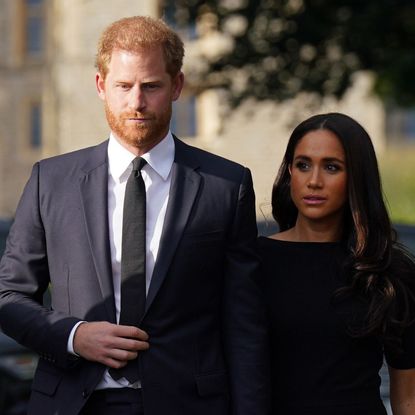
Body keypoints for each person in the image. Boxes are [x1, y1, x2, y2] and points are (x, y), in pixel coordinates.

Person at [0, 16, 270, 415]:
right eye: (123, 86)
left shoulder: (226, 186)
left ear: (177, 86)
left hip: (189, 405)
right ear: (100, 86)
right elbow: (9, 296)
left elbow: (244, 323)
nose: (136, 102)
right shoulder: (51, 181)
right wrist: (75, 336)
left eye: (151, 86)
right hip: (75, 402)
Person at [258, 112, 415, 415]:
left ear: (356, 177)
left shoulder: (389, 270)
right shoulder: (252, 263)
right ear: (290, 172)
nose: (314, 181)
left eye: (332, 167)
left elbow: (408, 398)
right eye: (303, 165)